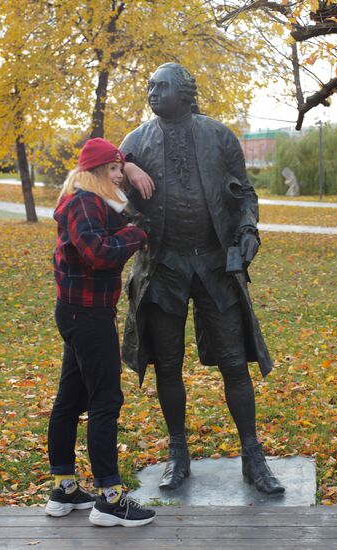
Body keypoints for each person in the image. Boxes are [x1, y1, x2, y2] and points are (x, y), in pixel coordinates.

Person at [120, 63, 285, 495]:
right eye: (150, 86)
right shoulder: (135, 142)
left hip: (214, 265)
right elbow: (113, 191)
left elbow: (244, 192)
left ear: (185, 92)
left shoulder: (218, 136)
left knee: (234, 362)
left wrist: (248, 229)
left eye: (161, 86)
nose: (152, 93)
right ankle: (178, 454)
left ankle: (252, 456)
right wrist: (126, 181)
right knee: (168, 364)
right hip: (163, 268)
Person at [46, 137, 156, 527]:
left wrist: (131, 166)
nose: (120, 176)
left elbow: (100, 240)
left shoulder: (91, 200)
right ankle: (109, 500)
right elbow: (97, 252)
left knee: (71, 398)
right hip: (88, 316)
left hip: (79, 313)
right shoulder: (84, 203)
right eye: (114, 169)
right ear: (95, 172)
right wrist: (137, 235)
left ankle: (65, 489)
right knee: (105, 401)